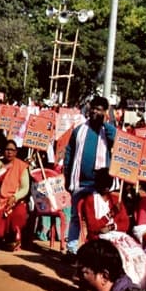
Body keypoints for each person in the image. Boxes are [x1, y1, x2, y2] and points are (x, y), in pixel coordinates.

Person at [63, 96, 117, 253]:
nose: (95, 111)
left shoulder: (107, 131)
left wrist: (105, 123)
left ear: (105, 112)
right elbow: (69, 154)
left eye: (99, 109)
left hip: (99, 186)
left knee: (97, 218)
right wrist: (67, 176)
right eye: (93, 108)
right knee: (75, 217)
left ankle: (94, 251)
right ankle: (71, 249)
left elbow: (117, 140)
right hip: (79, 182)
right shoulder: (79, 130)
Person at [0, 140, 31, 250]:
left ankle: (11, 239)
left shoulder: (21, 166)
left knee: (20, 212)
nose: (9, 152)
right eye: (7, 149)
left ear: (16, 152)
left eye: (12, 150)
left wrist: (15, 197)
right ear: (3, 151)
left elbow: (25, 188)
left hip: (13, 200)